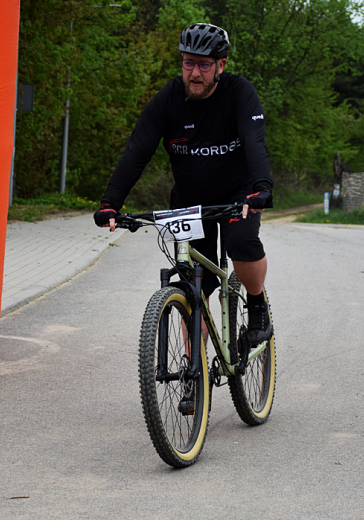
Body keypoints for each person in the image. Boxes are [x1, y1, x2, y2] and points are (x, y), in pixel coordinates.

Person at [92, 23, 273, 345]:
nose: (195, 73)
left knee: (242, 242)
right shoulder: (169, 99)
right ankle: (193, 381)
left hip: (238, 193)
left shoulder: (239, 92)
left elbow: (254, 141)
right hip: (191, 199)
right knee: (193, 290)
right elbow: (136, 153)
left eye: (204, 65)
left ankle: (257, 304)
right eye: (188, 63)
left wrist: (261, 187)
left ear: (221, 66)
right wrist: (111, 203)